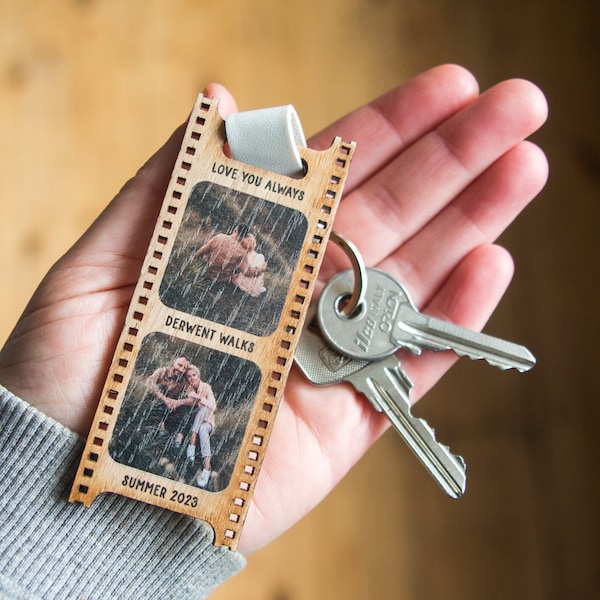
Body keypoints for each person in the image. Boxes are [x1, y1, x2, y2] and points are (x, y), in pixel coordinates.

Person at [0, 66, 549, 598]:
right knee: (198, 431)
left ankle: (202, 462)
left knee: (202, 433)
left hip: (166, 435)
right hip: (152, 432)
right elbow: (166, 387)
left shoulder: (216, 324)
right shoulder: (184, 348)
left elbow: (198, 386)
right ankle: (201, 461)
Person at [184, 364, 217, 489]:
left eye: (194, 375)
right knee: (201, 411)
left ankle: (207, 468)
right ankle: (206, 466)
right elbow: (188, 397)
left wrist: (200, 398)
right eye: (189, 376)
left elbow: (213, 406)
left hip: (208, 422)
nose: (192, 378)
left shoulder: (206, 387)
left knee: (203, 426)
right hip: (192, 419)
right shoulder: (188, 387)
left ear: (198, 375)